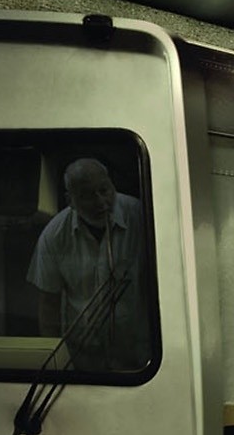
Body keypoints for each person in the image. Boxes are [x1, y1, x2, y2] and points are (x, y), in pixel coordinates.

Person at [27, 157, 148, 370]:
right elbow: (48, 305)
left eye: (105, 190)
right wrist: (55, 365)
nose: (101, 202)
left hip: (141, 358)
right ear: (70, 200)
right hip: (83, 360)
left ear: (113, 185)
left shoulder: (140, 217)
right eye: (88, 196)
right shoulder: (54, 236)